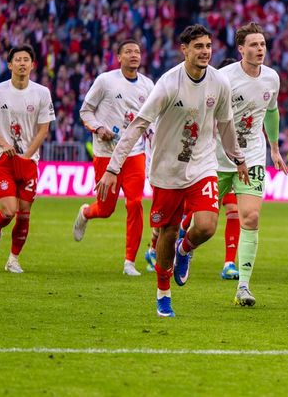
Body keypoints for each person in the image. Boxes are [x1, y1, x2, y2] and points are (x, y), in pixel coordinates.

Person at [95, 24, 248, 317]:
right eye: (198, 47)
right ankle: (163, 294)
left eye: (208, 46)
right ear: (184, 50)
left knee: (207, 226)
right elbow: (138, 125)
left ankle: (184, 249)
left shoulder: (219, 82)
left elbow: (226, 125)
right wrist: (113, 167)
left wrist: (238, 158)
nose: (205, 52)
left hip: (203, 164)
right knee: (166, 231)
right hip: (167, 169)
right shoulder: (168, 83)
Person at [213, 22, 286, 306]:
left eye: (263, 44)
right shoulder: (223, 78)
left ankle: (243, 286)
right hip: (218, 157)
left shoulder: (271, 78)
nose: (260, 49)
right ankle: (185, 245)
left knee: (251, 217)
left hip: (253, 155)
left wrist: (275, 149)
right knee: (202, 223)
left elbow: (272, 111)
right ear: (241, 49)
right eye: (254, 45)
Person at [73, 40, 154, 276]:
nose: (134, 55)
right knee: (105, 209)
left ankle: (130, 262)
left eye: (137, 51)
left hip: (134, 153)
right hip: (106, 154)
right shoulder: (105, 81)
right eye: (128, 51)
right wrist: (99, 128)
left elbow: (152, 118)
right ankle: (86, 213)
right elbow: (85, 111)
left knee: (135, 203)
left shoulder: (148, 85)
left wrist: (152, 134)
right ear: (118, 57)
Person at [0, 45, 55, 273]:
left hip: (29, 160)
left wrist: (27, 155)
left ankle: (13, 259)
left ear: (33, 65)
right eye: (18, 59)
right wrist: (3, 144)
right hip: (3, 159)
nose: (22, 63)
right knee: (9, 211)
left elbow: (44, 129)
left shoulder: (42, 93)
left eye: (26, 59)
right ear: (9, 65)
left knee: (24, 214)